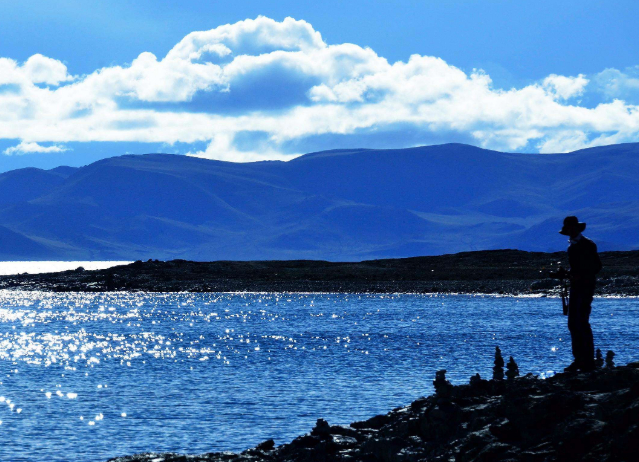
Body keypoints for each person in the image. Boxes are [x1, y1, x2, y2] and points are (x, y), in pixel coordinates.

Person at [559, 216, 602, 372]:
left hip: (585, 288)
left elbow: (596, 266)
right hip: (576, 287)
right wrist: (569, 274)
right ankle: (580, 359)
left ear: (575, 229)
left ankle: (587, 361)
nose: (569, 232)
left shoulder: (587, 245)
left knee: (581, 322)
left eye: (570, 229)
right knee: (573, 323)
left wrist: (580, 275)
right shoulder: (574, 247)